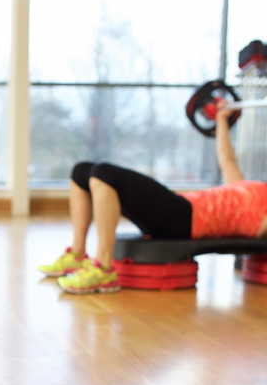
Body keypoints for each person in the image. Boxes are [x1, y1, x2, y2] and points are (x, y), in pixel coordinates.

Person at [39, 100, 267, 294]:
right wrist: (222, 120)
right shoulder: (249, 186)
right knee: (82, 171)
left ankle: (103, 268)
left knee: (104, 173)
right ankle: (77, 254)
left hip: (185, 222)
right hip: (180, 205)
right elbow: (227, 159)